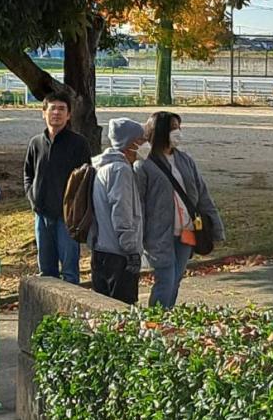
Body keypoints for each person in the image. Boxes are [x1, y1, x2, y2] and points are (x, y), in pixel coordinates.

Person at [136, 112, 225, 309]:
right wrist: (138, 236)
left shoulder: (185, 160)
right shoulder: (144, 164)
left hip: (186, 232)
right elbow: (139, 203)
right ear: (159, 131)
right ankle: (156, 321)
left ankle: (167, 316)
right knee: (165, 280)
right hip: (159, 234)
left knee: (175, 280)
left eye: (179, 127)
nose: (178, 132)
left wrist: (216, 227)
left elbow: (202, 195)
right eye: (173, 128)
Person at [23, 92, 92, 285]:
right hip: (42, 214)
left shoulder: (78, 143)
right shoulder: (36, 143)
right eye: (52, 108)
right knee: (46, 271)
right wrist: (32, 197)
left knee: (69, 271)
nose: (57, 113)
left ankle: (70, 314)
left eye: (62, 109)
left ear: (69, 115)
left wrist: (77, 210)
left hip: (67, 218)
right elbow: (28, 173)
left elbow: (86, 179)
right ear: (43, 112)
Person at [89, 118, 146, 305]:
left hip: (101, 249)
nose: (144, 145)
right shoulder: (120, 170)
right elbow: (122, 211)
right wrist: (131, 250)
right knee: (121, 310)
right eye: (141, 141)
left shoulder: (103, 166)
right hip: (118, 252)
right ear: (130, 143)